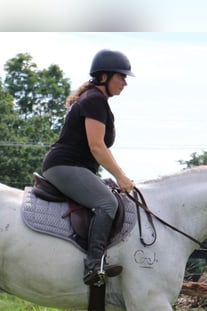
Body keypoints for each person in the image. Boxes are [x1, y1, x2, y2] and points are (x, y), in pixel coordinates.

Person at [42, 49, 136, 286]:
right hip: (65, 166)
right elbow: (96, 147)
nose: (125, 83)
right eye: (122, 77)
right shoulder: (94, 100)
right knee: (107, 203)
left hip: (71, 166)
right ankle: (93, 266)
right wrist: (121, 176)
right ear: (104, 76)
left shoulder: (95, 98)